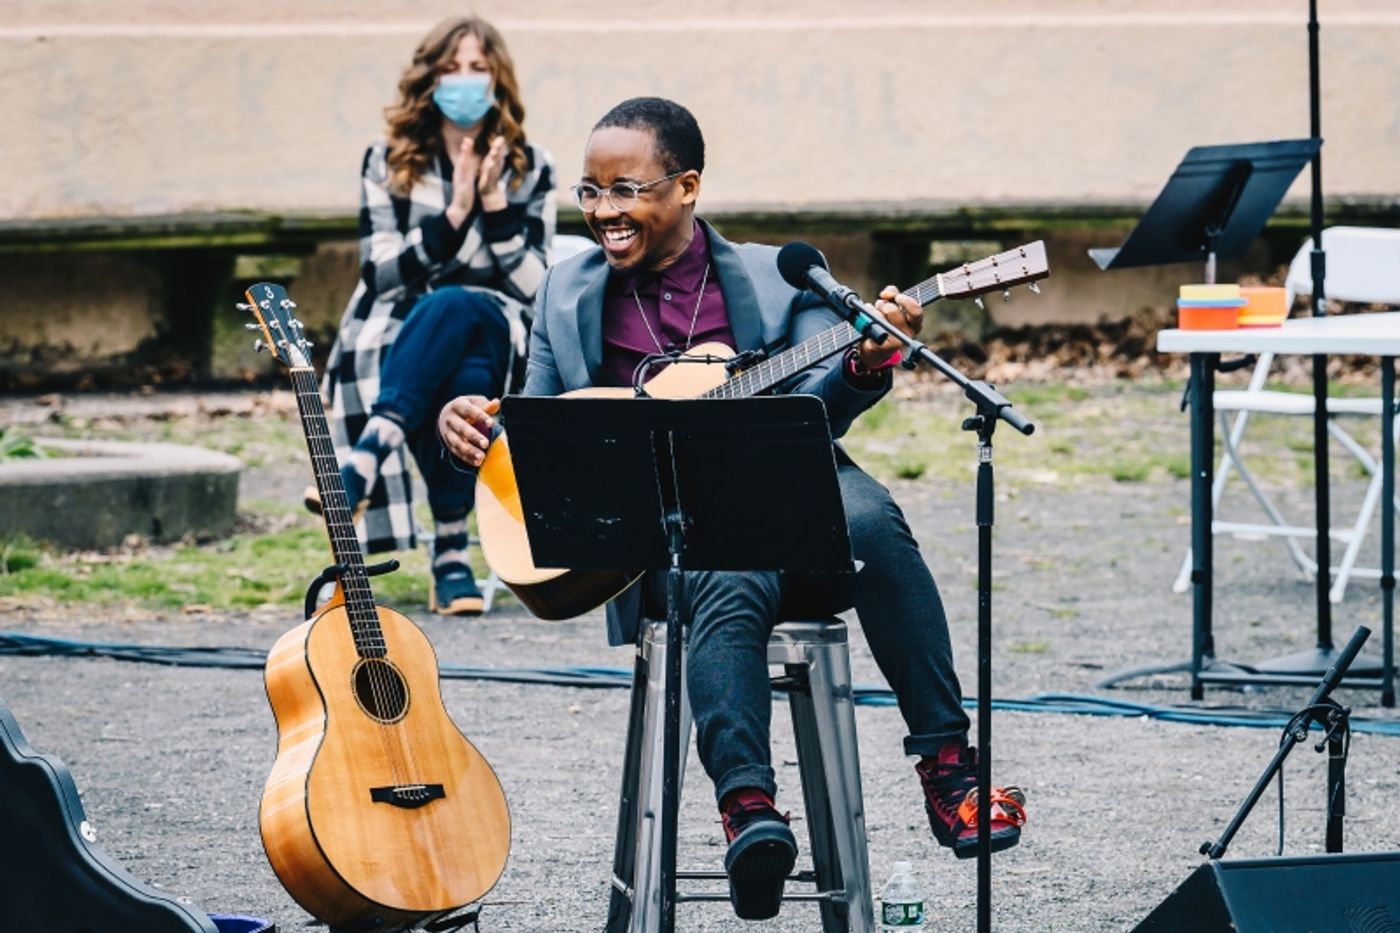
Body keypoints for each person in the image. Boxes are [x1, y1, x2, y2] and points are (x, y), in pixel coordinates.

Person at [437, 97, 1027, 920]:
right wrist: (470, 423)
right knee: (719, 558)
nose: (605, 211)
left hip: (791, 502)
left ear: (686, 186)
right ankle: (751, 808)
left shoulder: (771, 278)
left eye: (627, 189)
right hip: (651, 542)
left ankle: (946, 770)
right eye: (591, 191)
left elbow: (825, 403)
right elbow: (534, 421)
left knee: (873, 519)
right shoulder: (565, 291)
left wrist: (865, 360)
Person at [318, 15, 555, 615]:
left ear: (498, 79)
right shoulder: (389, 161)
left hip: (499, 319)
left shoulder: (533, 167)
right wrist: (453, 215)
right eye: (452, 68)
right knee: (454, 358)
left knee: (460, 309)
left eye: (478, 68)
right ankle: (450, 553)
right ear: (430, 79)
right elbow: (382, 271)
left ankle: (373, 448)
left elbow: (538, 286)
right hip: (399, 321)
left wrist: (496, 207)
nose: (465, 81)